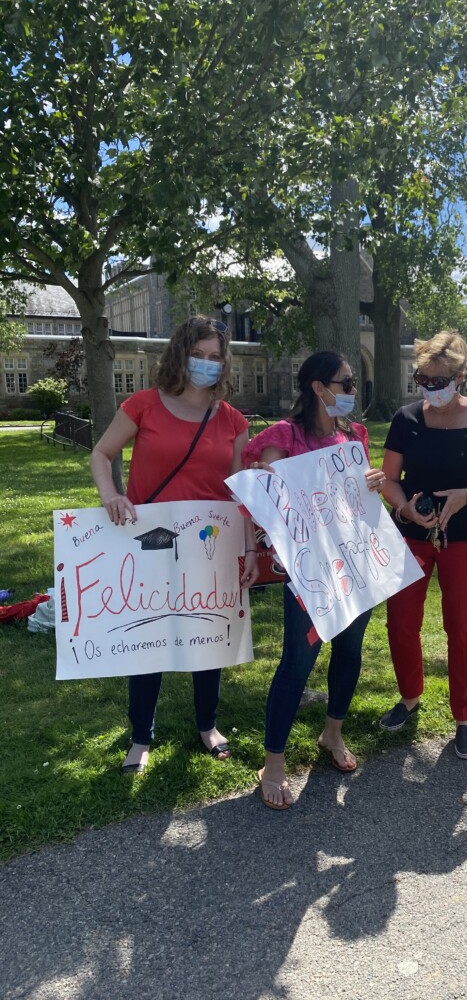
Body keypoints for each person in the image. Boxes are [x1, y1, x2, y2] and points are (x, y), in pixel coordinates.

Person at [90, 316, 259, 775]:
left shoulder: (232, 420)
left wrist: (248, 552)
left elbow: (239, 493)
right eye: (198, 354)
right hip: (153, 540)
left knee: (207, 635)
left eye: (214, 357)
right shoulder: (143, 405)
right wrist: (111, 494)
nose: (205, 364)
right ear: (180, 355)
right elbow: (101, 455)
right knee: (148, 637)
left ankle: (208, 726)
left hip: (211, 543)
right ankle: (140, 736)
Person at [241, 351, 385, 810]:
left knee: (350, 649)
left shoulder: (354, 436)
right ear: (319, 388)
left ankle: (332, 732)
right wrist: (265, 479)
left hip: (356, 562)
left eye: (353, 383)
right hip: (309, 574)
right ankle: (275, 761)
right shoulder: (283, 437)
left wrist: (373, 482)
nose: (352, 391)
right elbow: (260, 499)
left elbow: (356, 496)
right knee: (298, 663)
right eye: (346, 383)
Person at [379, 331, 467, 760]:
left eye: (439, 381)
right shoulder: (406, 419)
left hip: (466, 529)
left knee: (462, 625)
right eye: (423, 379)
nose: (430, 389)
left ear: (460, 377)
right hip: (413, 529)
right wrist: (404, 509)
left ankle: (464, 718)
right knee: (401, 621)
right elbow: (387, 479)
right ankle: (409, 698)